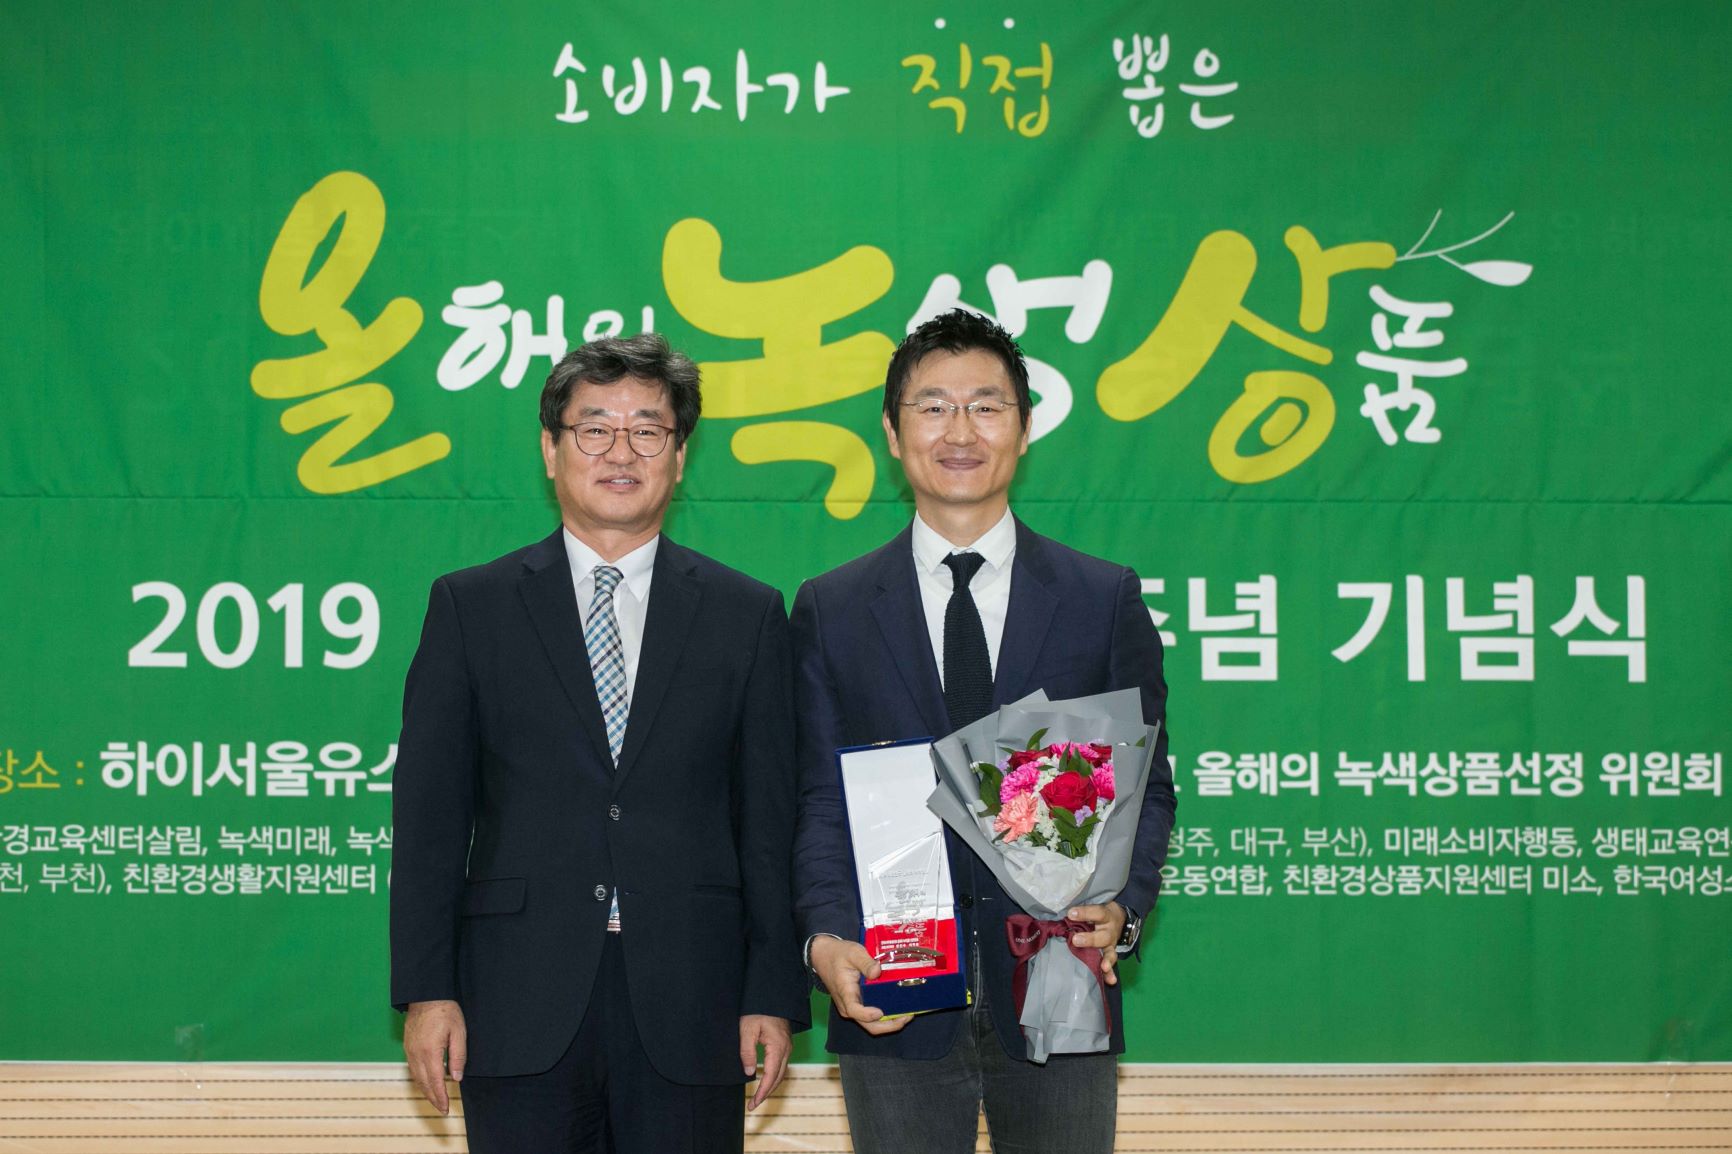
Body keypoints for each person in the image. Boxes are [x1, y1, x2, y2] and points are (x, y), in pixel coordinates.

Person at [389, 333, 807, 1154]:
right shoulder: (472, 608)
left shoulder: (747, 614)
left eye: (647, 430)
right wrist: (429, 992)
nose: (621, 452)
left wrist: (771, 993)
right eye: (594, 429)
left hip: (693, 998)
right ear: (551, 451)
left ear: (679, 457)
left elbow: (768, 823)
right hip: (517, 997)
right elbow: (431, 820)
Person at [791, 309, 1176, 1153]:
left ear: (1024, 428)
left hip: (1059, 979)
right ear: (893, 433)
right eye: (932, 407)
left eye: (986, 406)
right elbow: (817, 796)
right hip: (890, 988)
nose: (959, 431)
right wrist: (825, 937)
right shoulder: (833, 608)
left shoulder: (1100, 598)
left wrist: (1124, 911)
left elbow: (1147, 786)